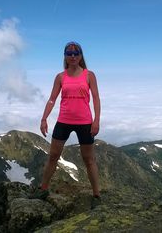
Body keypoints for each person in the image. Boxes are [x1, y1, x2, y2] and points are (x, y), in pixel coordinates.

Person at [31, 41, 101, 208]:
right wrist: (44, 118)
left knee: (89, 160)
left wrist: (96, 120)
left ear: (81, 55)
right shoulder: (60, 77)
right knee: (53, 157)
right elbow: (52, 99)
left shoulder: (89, 75)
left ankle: (97, 195)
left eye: (76, 53)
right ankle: (43, 188)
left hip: (85, 122)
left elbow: (96, 98)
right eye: (69, 53)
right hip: (63, 121)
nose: (73, 56)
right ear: (65, 56)